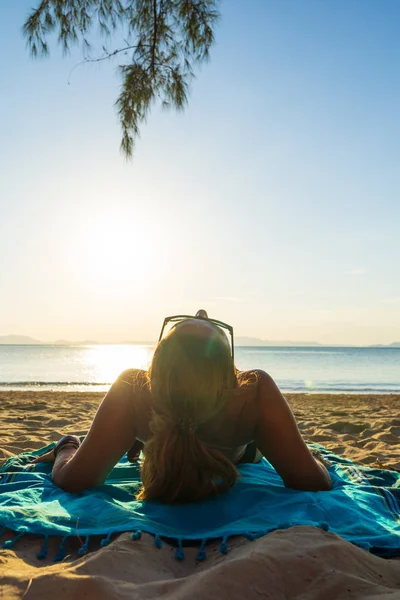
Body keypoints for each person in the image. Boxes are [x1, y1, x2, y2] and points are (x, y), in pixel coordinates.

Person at [34, 310, 332, 502]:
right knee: (265, 452)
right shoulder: (252, 391)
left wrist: (68, 445)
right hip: (242, 456)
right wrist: (311, 461)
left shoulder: (133, 389)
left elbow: (71, 480)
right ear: (228, 376)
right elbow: (313, 482)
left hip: (163, 444)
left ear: (159, 366)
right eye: (207, 322)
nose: (202, 311)